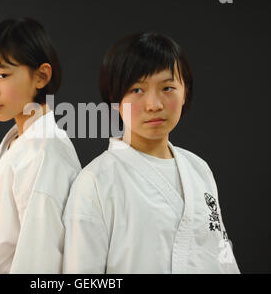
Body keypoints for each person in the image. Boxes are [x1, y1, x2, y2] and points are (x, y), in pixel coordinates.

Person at [62, 32, 240, 273]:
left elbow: (221, 257)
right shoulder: (95, 182)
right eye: (137, 90)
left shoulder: (198, 169)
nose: (154, 104)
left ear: (185, 91)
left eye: (168, 87)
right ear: (115, 99)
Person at [0, 18, 81, 273]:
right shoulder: (14, 144)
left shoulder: (45, 150)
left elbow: (41, 256)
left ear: (41, 76)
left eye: (2, 74)